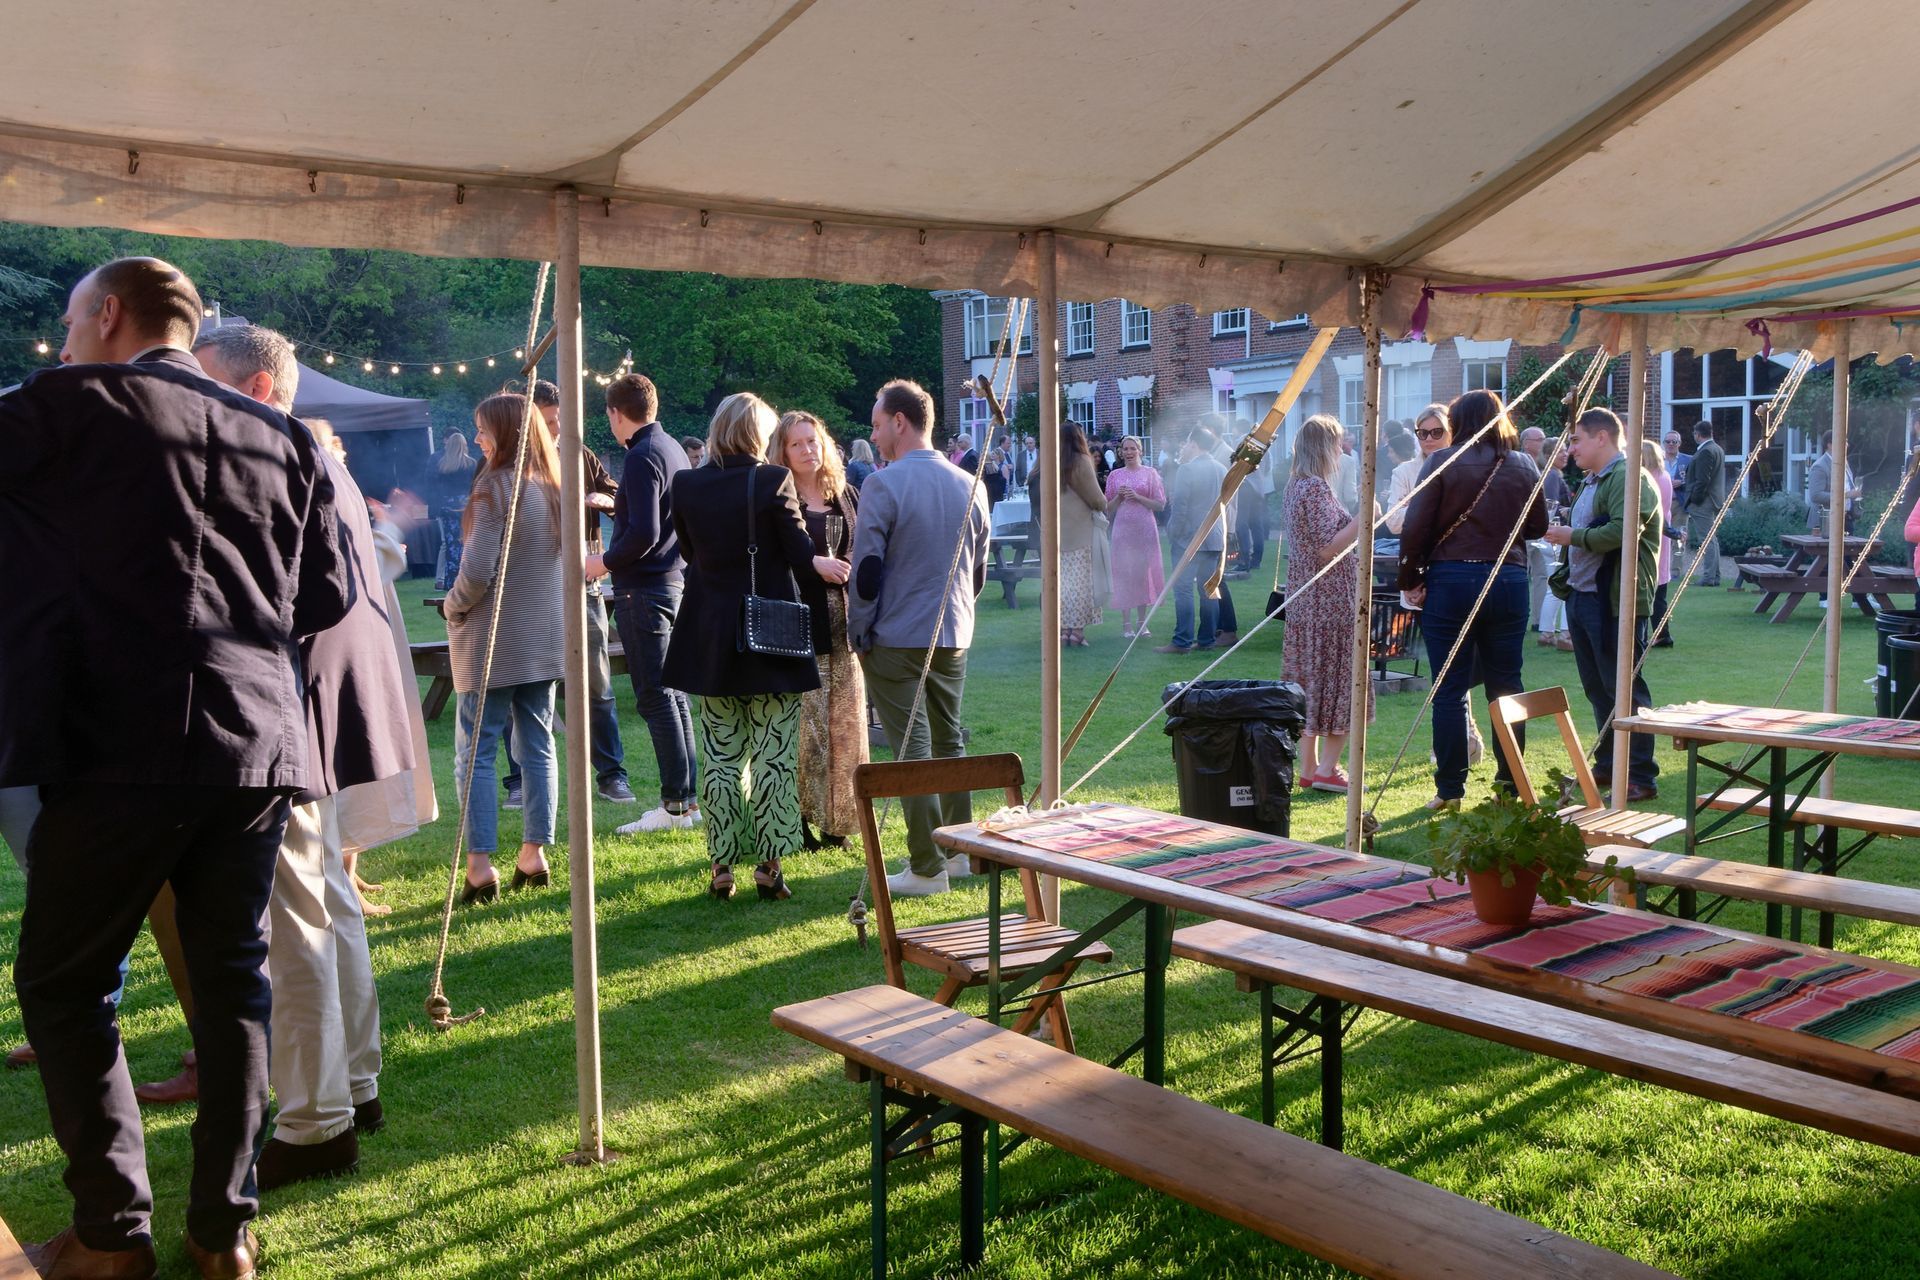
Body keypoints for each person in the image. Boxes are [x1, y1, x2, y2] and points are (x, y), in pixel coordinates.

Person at [2, 256, 350, 1280]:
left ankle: (113, 1232)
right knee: (232, 980)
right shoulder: (285, 434)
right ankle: (223, 1231)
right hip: (253, 742)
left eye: (70, 325)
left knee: (64, 982)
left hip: (115, 741)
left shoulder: (63, 405)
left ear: (108, 316)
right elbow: (322, 594)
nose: (62, 345)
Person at [194, 324, 415, 1190]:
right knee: (324, 902)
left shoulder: (278, 457)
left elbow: (297, 600)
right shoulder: (322, 458)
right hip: (318, 709)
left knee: (295, 923)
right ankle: (354, 1086)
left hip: (286, 713)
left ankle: (318, 1121)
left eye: (204, 385)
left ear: (253, 387)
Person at [663, 393, 820, 901]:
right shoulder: (773, 480)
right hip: (770, 634)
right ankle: (770, 867)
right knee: (774, 753)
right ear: (760, 435)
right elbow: (800, 553)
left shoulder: (685, 484)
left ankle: (721, 864)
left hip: (709, 636)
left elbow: (689, 553)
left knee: (719, 756)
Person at [849, 379, 991, 897]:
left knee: (914, 747)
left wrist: (858, 628)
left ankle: (928, 866)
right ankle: (957, 854)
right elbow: (979, 570)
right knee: (948, 740)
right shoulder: (971, 483)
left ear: (899, 422)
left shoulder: (882, 485)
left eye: (877, 422)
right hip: (953, 630)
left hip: (896, 634)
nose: (874, 431)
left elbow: (866, 570)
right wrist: (958, 612)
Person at [1398, 391, 1547, 810]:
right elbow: (1537, 526)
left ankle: (1449, 790)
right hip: (1509, 578)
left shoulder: (1441, 462)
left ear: (1459, 421)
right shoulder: (1523, 464)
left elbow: (1415, 529)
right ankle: (1509, 786)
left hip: (1452, 580)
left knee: (1448, 688)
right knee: (1507, 686)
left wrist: (1410, 578)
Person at [445, 393, 566, 903]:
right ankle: (532, 855)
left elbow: (476, 571)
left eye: (482, 429)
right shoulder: (554, 486)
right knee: (536, 744)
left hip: (493, 639)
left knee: (475, 752)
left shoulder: (497, 488)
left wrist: (453, 605)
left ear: (506, 433)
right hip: (542, 638)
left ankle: (479, 868)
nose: (476, 438)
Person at [593, 374, 700, 834]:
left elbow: (645, 534)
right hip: (673, 582)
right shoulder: (673, 447)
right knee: (673, 694)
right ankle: (688, 800)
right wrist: (617, 507)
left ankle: (675, 804)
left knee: (656, 697)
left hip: (645, 588)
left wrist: (600, 562)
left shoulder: (638, 455)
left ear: (616, 413)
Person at [520, 380, 633, 805]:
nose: (555, 429)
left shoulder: (579, 454)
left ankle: (612, 774)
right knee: (527, 682)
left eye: (559, 420)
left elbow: (619, 495)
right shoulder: (516, 462)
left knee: (597, 683)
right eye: (547, 422)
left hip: (583, 580)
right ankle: (520, 782)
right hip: (531, 585)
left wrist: (600, 499)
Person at [1543, 407, 1662, 801]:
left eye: (1575, 439)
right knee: (1598, 688)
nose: (1569, 448)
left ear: (1602, 438)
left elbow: (1622, 530)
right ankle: (1611, 765)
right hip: (1584, 596)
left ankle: (1641, 775)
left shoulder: (1629, 476)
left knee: (1625, 688)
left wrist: (1571, 535)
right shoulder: (1595, 479)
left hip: (1615, 600)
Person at [769, 410, 869, 849]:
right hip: (799, 626)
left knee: (846, 729)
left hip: (845, 629)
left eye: (812, 440)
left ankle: (839, 821)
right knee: (806, 733)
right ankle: (800, 822)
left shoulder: (846, 494)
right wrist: (815, 568)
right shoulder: (778, 498)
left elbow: (865, 549)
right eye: (797, 443)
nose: (807, 449)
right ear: (782, 452)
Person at [1281, 414, 1371, 791]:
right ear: (1324, 447)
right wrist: (1368, 516)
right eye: (1337, 443)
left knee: (1309, 681)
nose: (1341, 450)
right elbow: (1327, 550)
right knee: (1336, 681)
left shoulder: (1294, 486)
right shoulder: (1314, 489)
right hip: (1328, 604)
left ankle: (1309, 766)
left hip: (1307, 603)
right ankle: (1327, 770)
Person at [1156, 426, 1228, 654]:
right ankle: (1206, 640)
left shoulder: (1186, 469)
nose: (1184, 447)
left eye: (1187, 443)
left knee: (1184, 589)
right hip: (1214, 537)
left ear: (1195, 444)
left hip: (1189, 538)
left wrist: (1173, 531)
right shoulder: (1221, 468)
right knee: (1209, 590)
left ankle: (1182, 641)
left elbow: (1180, 506)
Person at [1105, 434, 1167, 639]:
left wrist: (1138, 497)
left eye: (1133, 448)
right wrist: (1119, 497)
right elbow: (1107, 509)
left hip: (1145, 528)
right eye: (1125, 449)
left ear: (1140, 451)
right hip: (1122, 530)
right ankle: (1126, 624)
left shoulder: (1150, 473)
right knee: (1124, 573)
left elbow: (1160, 504)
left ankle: (1142, 622)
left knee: (1142, 573)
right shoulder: (1115, 475)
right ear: (1120, 452)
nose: (1129, 452)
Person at [1057, 421, 1111, 646]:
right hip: (1080, 530)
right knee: (1080, 584)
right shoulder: (1081, 461)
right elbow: (1097, 499)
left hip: (1057, 532)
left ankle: (1062, 630)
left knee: (1062, 584)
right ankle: (1076, 632)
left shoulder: (1050, 461)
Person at [1384, 403, 1450, 536]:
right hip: (1419, 552)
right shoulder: (1403, 471)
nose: (1429, 439)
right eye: (1423, 433)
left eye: (1437, 432)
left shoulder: (1463, 467)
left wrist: (1414, 503)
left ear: (1450, 433)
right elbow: (1393, 523)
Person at [1642, 438, 1683, 647]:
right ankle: (1662, 632)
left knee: (1651, 586)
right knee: (1660, 585)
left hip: (1652, 533)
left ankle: (1659, 633)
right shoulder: (1665, 475)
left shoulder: (1650, 478)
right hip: (1662, 532)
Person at [431, 431, 478, 590]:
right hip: (465, 507)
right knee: (468, 542)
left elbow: (435, 489)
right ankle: (468, 579)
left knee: (451, 546)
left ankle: (452, 581)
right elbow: (475, 487)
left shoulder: (442, 465)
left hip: (448, 508)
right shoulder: (471, 464)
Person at [1684, 420, 1726, 586]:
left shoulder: (1705, 451)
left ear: (1698, 434)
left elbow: (1702, 480)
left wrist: (1695, 499)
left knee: (1706, 540)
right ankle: (1714, 576)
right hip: (1713, 499)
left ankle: (1709, 577)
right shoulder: (1717, 449)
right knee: (1711, 539)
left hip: (1704, 502)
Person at [1663, 430, 1692, 511]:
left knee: (1680, 524)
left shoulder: (1689, 460)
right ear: (1664, 443)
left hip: (1680, 504)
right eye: (1668, 441)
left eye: (1674, 442)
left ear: (1679, 443)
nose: (1671, 444)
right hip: (1661, 503)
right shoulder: (1657, 460)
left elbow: (1696, 480)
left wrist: (1682, 482)